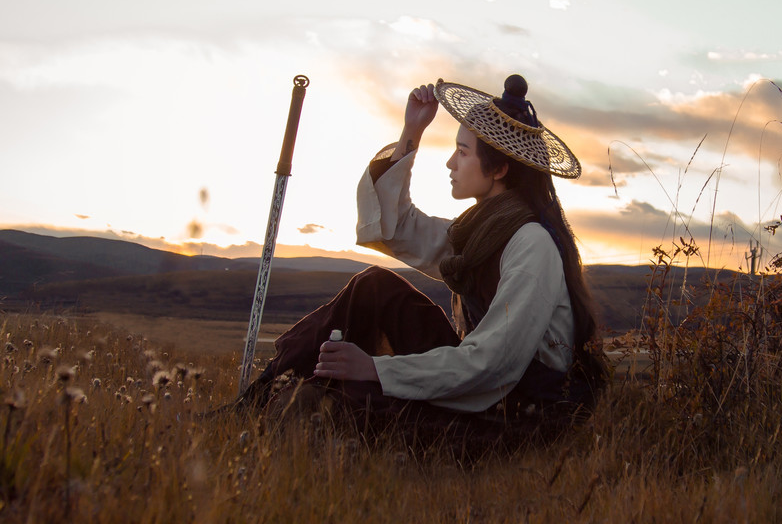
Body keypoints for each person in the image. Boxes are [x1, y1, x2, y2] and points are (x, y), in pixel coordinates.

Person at [239, 74, 608, 435]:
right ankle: (255, 402)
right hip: (489, 384)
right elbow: (397, 227)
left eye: (463, 152)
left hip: (517, 407)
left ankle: (289, 409)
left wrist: (376, 369)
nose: (450, 163)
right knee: (373, 286)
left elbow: (494, 363)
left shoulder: (532, 244)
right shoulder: (481, 231)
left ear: (498, 169)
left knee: (357, 403)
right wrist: (412, 131)